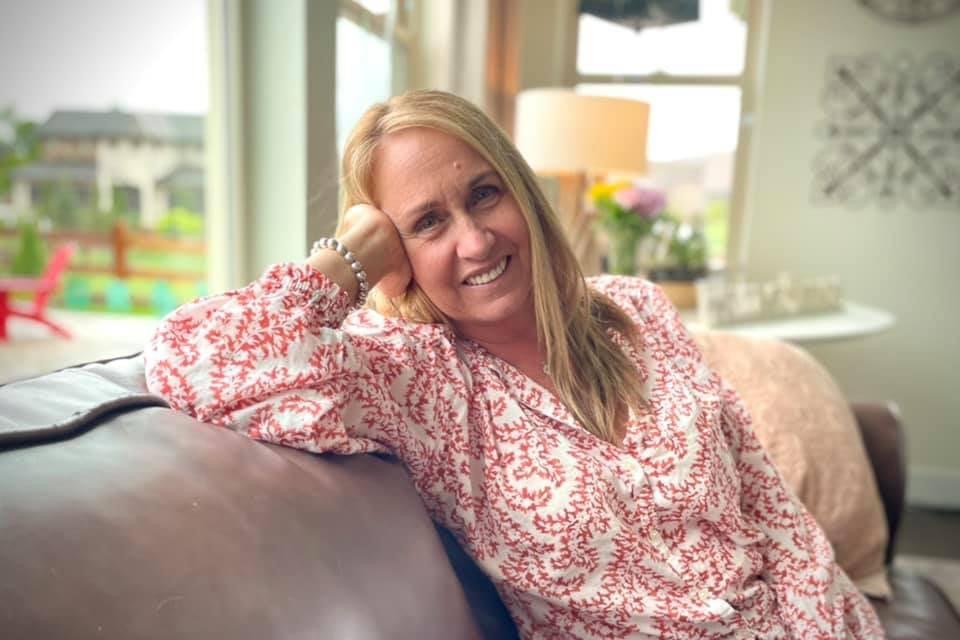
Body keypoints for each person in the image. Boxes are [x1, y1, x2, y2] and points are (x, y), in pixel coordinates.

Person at [144, 89, 884, 639]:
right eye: (428, 223)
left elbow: (771, 513)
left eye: (484, 194)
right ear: (397, 256)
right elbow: (192, 359)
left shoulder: (637, 312)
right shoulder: (415, 381)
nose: (475, 240)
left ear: (521, 194)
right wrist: (349, 259)